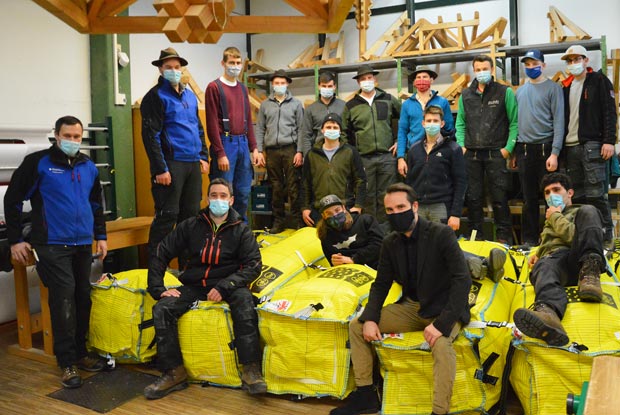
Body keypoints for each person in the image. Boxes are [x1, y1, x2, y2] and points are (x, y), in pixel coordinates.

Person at [330, 183, 471, 415]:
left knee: (441, 345)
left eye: (400, 207)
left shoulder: (441, 234)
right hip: (413, 306)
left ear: (414, 206)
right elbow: (381, 284)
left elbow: (462, 280)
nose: (395, 213)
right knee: (357, 326)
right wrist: (371, 318)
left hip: (443, 307)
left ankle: (439, 410)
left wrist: (441, 324)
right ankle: (366, 395)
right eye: (390, 210)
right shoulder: (390, 242)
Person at [4, 116, 108, 388]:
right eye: (67, 136)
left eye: (77, 136)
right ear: (56, 135)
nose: (72, 141)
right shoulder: (38, 163)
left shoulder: (88, 166)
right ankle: (67, 362)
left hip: (82, 243)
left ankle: (81, 353)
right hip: (51, 244)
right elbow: (13, 199)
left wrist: (101, 236)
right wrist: (16, 240)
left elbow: (96, 204)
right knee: (63, 299)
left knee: (83, 297)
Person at [144, 178, 266, 399]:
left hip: (228, 284)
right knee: (162, 309)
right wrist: (157, 288)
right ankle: (174, 372)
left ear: (231, 200)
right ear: (207, 198)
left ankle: (251, 369)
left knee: (245, 302)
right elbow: (161, 251)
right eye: (214, 195)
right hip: (194, 285)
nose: (218, 200)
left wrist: (226, 286)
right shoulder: (190, 226)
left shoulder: (242, 230)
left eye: (223, 196)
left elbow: (254, 265)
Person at [513, 173, 605, 346]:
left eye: (556, 190)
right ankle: (549, 314)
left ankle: (591, 276)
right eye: (547, 192)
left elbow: (576, 238)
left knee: (589, 209)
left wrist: (555, 216)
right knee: (544, 266)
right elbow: (551, 243)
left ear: (570, 193)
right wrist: (539, 252)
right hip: (556, 263)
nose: (551, 195)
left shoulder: (580, 213)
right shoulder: (550, 219)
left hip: (578, 259)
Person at [140, 47, 209, 262]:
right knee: (167, 216)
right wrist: (160, 168)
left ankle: (188, 268)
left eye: (177, 67)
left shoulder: (189, 96)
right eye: (168, 67)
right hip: (171, 164)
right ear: (160, 69)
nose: (173, 70)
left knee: (191, 217)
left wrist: (203, 156)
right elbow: (150, 136)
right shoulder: (155, 97)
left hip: (192, 163)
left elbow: (198, 128)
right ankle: (156, 268)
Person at [456, 54, 518, 244]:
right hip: (471, 154)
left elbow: (514, 122)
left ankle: (503, 237)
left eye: (485, 69)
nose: (481, 72)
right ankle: (476, 237)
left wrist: (508, 148)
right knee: (473, 197)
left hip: (496, 153)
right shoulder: (466, 95)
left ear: (492, 70)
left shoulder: (504, 92)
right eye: (478, 69)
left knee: (499, 197)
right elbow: (460, 123)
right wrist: (462, 146)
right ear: (474, 71)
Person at [560, 44, 617, 244]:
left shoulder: (599, 81)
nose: (573, 63)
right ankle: (583, 238)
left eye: (577, 59)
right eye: (570, 60)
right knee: (576, 196)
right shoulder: (565, 86)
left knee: (596, 195)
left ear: (586, 60)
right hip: (570, 148)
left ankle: (606, 238)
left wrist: (609, 141)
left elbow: (610, 112)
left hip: (592, 146)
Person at [514, 49, 565, 246]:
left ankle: (552, 237)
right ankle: (530, 240)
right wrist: (515, 151)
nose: (531, 67)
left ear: (543, 65)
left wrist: (555, 153)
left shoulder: (553, 88)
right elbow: (516, 122)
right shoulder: (520, 91)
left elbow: (559, 121)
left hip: (546, 150)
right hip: (525, 150)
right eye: (527, 64)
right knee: (529, 199)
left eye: (535, 64)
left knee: (551, 197)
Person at [205, 46, 260, 222]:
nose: (235, 66)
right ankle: (222, 231)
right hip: (225, 143)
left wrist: (254, 148)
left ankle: (240, 230)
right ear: (223, 63)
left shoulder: (243, 89)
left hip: (243, 143)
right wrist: (220, 153)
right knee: (223, 193)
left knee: (243, 192)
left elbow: (248, 120)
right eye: (231, 63)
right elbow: (212, 124)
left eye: (238, 63)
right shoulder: (214, 87)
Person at [341, 64, 402, 223]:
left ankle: (386, 230)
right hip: (364, 159)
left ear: (374, 79)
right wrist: (352, 154)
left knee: (386, 195)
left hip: (387, 156)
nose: (367, 81)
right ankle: (370, 229)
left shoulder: (388, 99)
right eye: (363, 79)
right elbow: (343, 132)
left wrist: (399, 141)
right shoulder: (351, 105)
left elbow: (404, 120)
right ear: (358, 82)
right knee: (366, 196)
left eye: (369, 78)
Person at [255, 69, 304, 233]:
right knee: (276, 187)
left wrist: (300, 151)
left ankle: (298, 221)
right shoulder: (265, 105)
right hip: (272, 151)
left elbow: (301, 129)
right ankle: (278, 221)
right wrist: (259, 150)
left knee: (293, 186)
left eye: (282, 83)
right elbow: (260, 128)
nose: (279, 85)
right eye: (277, 83)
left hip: (290, 149)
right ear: (272, 84)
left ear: (288, 84)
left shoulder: (296, 104)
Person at [405, 105, 466, 231]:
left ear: (442, 123)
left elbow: (460, 183)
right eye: (428, 121)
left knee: (441, 242)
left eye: (435, 121)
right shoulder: (413, 150)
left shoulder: (453, 149)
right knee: (419, 242)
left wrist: (455, 214)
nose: (432, 124)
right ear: (423, 123)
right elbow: (409, 182)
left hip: (441, 207)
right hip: (418, 207)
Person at [301, 113, 367, 227]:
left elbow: (360, 180)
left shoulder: (351, 152)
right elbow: (305, 183)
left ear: (340, 131)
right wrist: (305, 208)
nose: (331, 130)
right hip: (319, 210)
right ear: (322, 130)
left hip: (344, 208)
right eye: (328, 127)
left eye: (335, 127)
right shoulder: (311, 154)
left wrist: (358, 205)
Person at [397, 65, 454, 177]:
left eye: (425, 77)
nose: (421, 80)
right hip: (414, 152)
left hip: (438, 151)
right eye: (418, 77)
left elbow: (450, 128)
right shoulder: (407, 104)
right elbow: (402, 131)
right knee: (415, 183)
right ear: (414, 82)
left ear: (431, 80)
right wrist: (400, 157)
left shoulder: (442, 102)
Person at [316, 194, 384, 269]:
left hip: (373, 267)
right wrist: (335, 261)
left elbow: (379, 245)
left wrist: (354, 259)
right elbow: (331, 258)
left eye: (337, 210)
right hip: (346, 270)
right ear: (323, 216)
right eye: (329, 213)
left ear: (343, 208)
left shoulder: (365, 221)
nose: (335, 215)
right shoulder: (325, 234)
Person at [300, 71, 346, 155]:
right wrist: (308, 157)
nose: (327, 89)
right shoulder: (310, 109)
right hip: (318, 152)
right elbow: (306, 136)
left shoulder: (344, 106)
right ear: (319, 86)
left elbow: (348, 131)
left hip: (340, 152)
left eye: (329, 86)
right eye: (324, 86)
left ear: (334, 86)